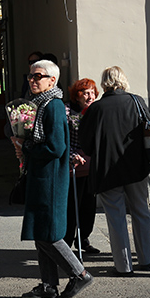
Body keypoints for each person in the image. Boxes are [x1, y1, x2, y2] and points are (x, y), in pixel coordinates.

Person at [11, 59, 93, 298]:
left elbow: (56, 147)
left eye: (38, 76)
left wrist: (26, 146)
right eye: (30, 76)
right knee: (41, 232)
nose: (32, 80)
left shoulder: (53, 106)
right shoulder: (39, 104)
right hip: (41, 176)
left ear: (52, 80)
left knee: (48, 233)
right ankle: (48, 284)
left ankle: (79, 274)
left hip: (50, 179)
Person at [79, 66, 150, 276]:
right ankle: (147, 259)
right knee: (141, 211)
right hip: (137, 167)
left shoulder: (96, 109)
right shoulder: (137, 101)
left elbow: (85, 145)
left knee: (116, 217)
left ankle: (123, 266)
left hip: (107, 170)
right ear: (123, 80)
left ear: (104, 83)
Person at [64, 78, 100, 254]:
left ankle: (83, 239)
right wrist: (72, 154)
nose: (90, 96)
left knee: (89, 204)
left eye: (92, 92)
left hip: (91, 165)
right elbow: (63, 138)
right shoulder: (67, 111)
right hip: (74, 164)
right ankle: (67, 243)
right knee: (73, 205)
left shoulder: (95, 110)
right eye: (85, 93)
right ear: (77, 96)